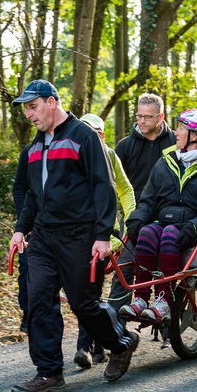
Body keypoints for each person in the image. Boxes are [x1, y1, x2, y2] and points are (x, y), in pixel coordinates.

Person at [9, 80, 139, 392]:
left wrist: (103, 235)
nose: (28, 114)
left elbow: (103, 186)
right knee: (38, 300)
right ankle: (49, 374)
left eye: (32, 106)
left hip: (80, 235)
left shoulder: (83, 137)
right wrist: (20, 228)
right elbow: (31, 196)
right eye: (25, 108)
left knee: (84, 304)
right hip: (43, 238)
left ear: (52, 102)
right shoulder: (34, 148)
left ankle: (120, 343)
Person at [118, 109, 197, 324]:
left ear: (195, 135)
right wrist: (136, 218)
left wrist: (195, 224)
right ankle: (141, 298)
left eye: (181, 128)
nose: (176, 133)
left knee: (170, 234)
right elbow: (149, 199)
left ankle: (164, 299)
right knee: (147, 232)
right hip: (167, 220)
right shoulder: (166, 161)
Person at [109, 93, 176, 346]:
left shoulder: (175, 142)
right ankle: (114, 332)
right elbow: (114, 184)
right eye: (139, 116)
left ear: (161, 117)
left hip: (167, 216)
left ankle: (168, 326)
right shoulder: (126, 146)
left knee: (166, 269)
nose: (142, 121)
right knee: (124, 270)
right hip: (134, 218)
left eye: (148, 116)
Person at [73, 113, 136, 369]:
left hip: (106, 236)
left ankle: (88, 347)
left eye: (95, 134)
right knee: (87, 291)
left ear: (102, 135)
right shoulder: (72, 157)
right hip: (79, 235)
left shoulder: (110, 155)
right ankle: (92, 348)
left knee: (91, 292)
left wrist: (132, 224)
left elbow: (125, 190)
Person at [12, 144, 31, 332]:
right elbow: (19, 188)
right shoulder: (29, 151)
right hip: (30, 226)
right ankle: (28, 314)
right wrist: (24, 224)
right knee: (26, 269)